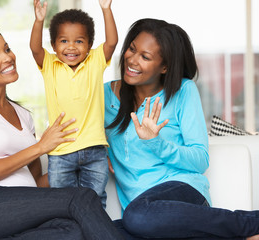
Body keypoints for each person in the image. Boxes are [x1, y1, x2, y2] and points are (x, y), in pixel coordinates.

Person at [0, 26, 123, 240]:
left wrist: (80, 159)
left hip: (14, 213)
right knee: (81, 199)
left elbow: (35, 180)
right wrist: (40, 147)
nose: (8, 58)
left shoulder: (23, 115)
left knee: (74, 231)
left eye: (7, 49)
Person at [104, 18, 259, 240]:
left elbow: (200, 159)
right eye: (132, 49)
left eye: (145, 57)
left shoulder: (183, 91)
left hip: (181, 194)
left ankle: (250, 222)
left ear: (164, 66)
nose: (132, 60)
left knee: (137, 216)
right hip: (143, 215)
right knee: (95, 231)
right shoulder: (103, 96)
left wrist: (156, 142)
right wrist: (101, 152)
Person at [29, 0, 118, 208]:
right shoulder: (50, 64)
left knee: (94, 203)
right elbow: (34, 49)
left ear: (89, 45)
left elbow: (112, 43)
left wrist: (106, 10)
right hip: (61, 153)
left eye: (79, 41)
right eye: (63, 41)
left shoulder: (95, 61)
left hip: (94, 150)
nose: (71, 47)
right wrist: (38, 21)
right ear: (53, 45)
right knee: (62, 205)